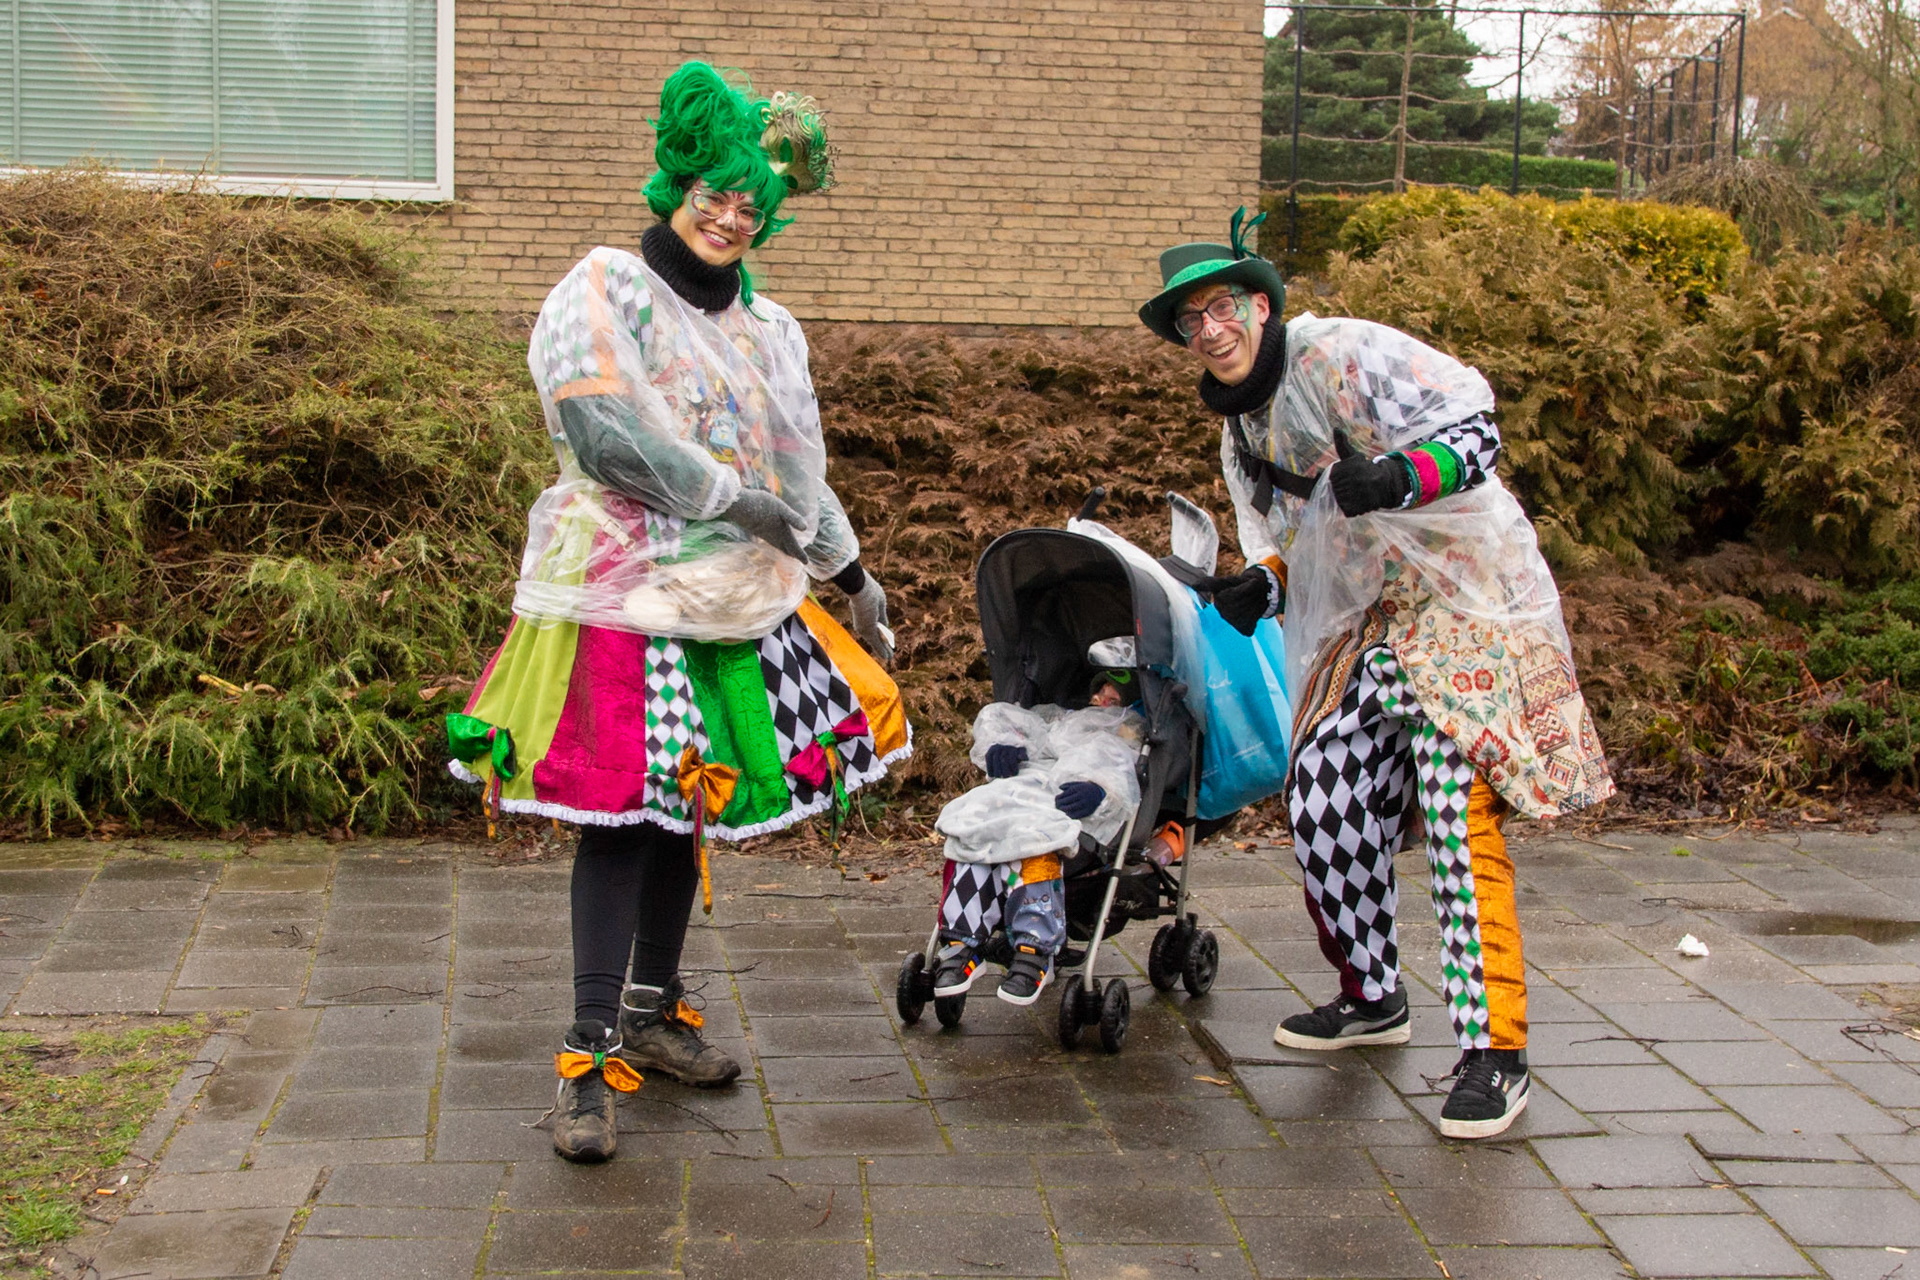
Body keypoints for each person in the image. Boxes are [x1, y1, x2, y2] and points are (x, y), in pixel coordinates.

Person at [446, 62, 910, 1163]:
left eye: (752, 206)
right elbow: (606, 433)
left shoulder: (770, 328)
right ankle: (586, 1057)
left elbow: (797, 471)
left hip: (732, 600)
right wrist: (734, 500)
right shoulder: (603, 287)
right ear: (678, 187)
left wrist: (852, 574)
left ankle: (652, 1013)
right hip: (619, 596)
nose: (730, 218)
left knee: (684, 806)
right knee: (621, 815)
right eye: (715, 194)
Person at [1137, 209, 1613, 1139]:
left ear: (1262, 307)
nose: (1211, 330)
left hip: (1461, 597)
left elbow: (1476, 427)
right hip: (1367, 620)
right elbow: (1287, 541)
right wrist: (1261, 584)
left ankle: (1495, 1055)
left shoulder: (1341, 355)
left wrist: (1401, 478)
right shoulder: (1239, 435)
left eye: (1224, 307)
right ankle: (1372, 994)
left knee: (1456, 814)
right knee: (1323, 796)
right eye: (1192, 321)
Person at [929, 671, 1145, 1006]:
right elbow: (1005, 717)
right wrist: (1000, 744)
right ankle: (961, 943)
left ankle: (1035, 949)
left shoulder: (1123, 735)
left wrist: (1101, 791)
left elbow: (1119, 772)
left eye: (1113, 698)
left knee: (1033, 844)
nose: (1102, 701)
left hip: (1062, 805)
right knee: (971, 837)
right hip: (1018, 793)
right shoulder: (1061, 719)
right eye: (1099, 693)